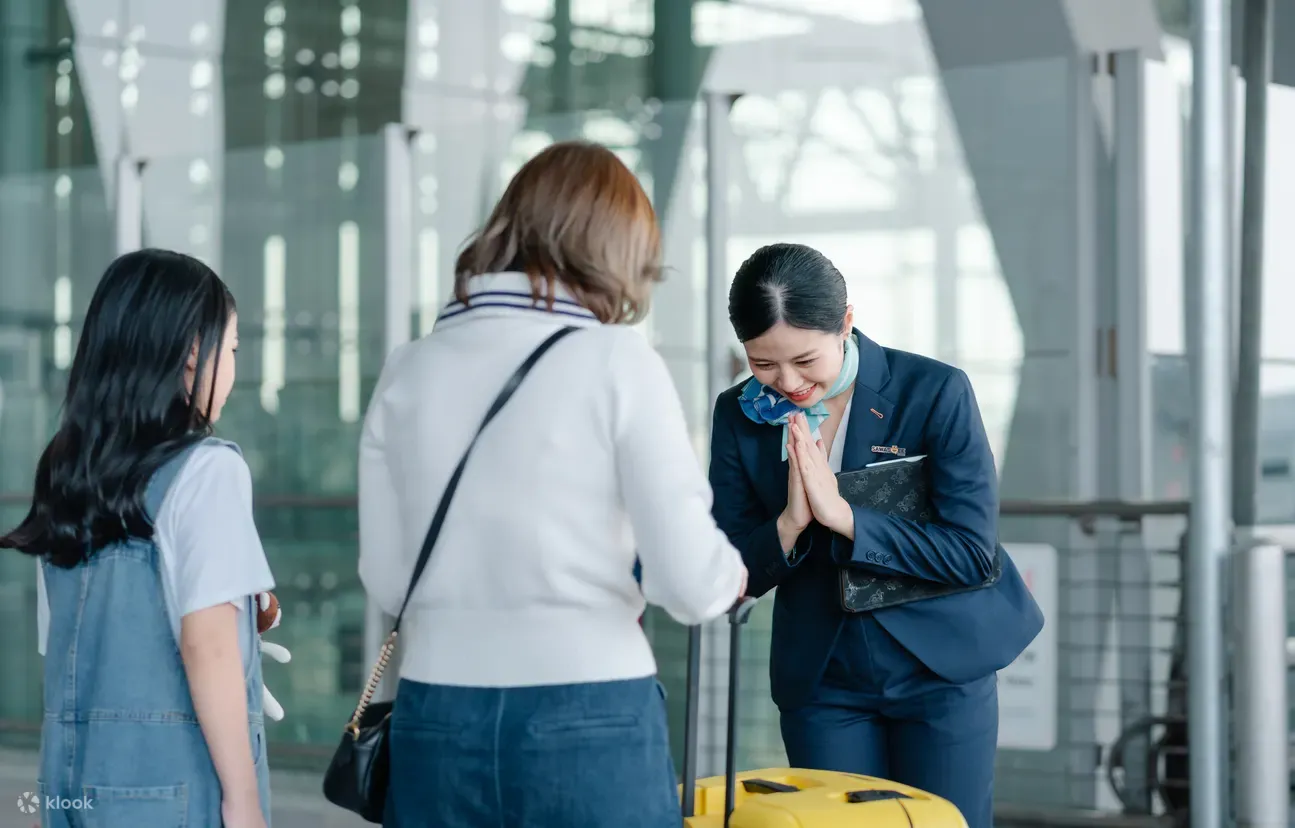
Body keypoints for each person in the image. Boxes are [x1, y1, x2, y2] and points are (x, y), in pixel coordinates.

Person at [357, 140, 747, 828]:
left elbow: (389, 581)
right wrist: (727, 578)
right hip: (588, 711)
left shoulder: (409, 368)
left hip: (435, 714)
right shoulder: (618, 361)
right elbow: (689, 583)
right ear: (615, 251)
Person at [708, 242, 1044, 828]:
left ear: (846, 323)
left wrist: (846, 518)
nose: (787, 382)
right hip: (823, 679)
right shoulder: (738, 414)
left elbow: (971, 554)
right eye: (763, 364)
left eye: (805, 361)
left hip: (940, 668)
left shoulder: (934, 392)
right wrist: (790, 524)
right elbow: (732, 568)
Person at [0, 249, 277, 828]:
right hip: (173, 789)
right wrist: (244, 802)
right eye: (230, 349)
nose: (232, 369)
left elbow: (71, 644)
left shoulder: (66, 473)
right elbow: (210, 647)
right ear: (192, 352)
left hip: (70, 786)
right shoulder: (208, 470)